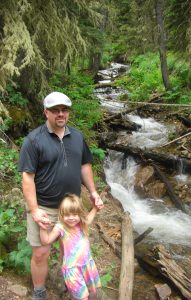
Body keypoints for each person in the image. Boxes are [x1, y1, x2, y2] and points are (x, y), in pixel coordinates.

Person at [18, 91, 103, 300]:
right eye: (55, 110)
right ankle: (39, 291)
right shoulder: (33, 140)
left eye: (64, 110)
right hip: (44, 206)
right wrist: (35, 210)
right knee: (41, 252)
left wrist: (92, 192)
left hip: (71, 208)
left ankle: (71, 284)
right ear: (46, 112)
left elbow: (85, 165)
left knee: (70, 250)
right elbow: (27, 178)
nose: (60, 114)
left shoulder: (77, 137)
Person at [40, 193, 102, 300]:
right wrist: (43, 228)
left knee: (92, 291)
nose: (71, 218)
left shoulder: (82, 224)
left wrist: (96, 208)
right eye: (67, 215)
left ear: (79, 214)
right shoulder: (61, 227)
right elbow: (46, 240)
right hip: (72, 269)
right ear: (62, 215)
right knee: (82, 297)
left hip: (86, 264)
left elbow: (89, 218)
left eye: (74, 214)